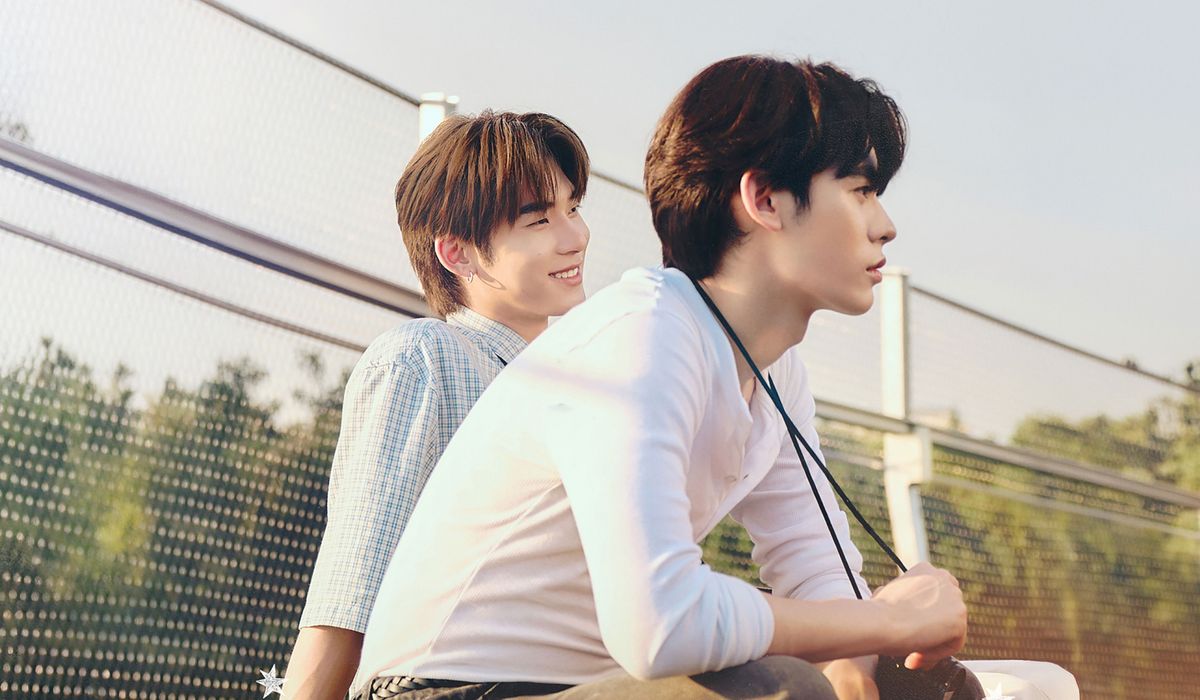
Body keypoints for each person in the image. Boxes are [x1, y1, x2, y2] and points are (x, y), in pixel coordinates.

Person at [352, 56, 1075, 700]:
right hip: (449, 690)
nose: (885, 225)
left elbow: (818, 573)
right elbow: (662, 626)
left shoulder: (775, 369)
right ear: (764, 200)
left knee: (1006, 688)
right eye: (859, 190)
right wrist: (887, 621)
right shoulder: (642, 334)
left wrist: (864, 660)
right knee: (783, 689)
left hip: (589, 685)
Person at [283, 110, 592, 700]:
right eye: (538, 219)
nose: (574, 236)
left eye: (572, 208)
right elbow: (353, 583)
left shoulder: (577, 391)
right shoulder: (425, 358)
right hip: (445, 683)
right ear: (458, 253)